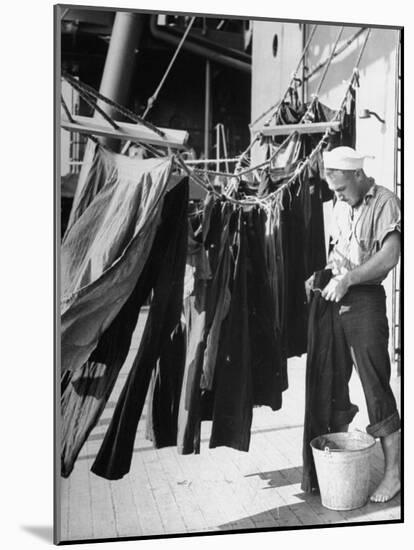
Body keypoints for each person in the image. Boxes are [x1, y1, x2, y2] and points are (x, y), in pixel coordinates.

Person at [305, 146, 401, 503]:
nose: (338, 196)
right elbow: (338, 252)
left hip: (365, 302)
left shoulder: (385, 202)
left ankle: (394, 473)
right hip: (335, 299)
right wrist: (326, 276)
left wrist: (348, 280)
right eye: (334, 191)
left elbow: (389, 256)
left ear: (359, 176)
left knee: (375, 387)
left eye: (342, 189)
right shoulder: (341, 205)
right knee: (331, 380)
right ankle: (335, 462)